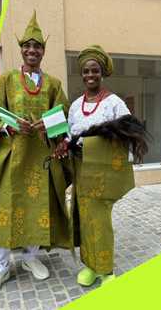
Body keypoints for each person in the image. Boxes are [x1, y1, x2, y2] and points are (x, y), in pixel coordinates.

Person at [0, 11, 72, 296]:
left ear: (43, 51)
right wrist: (8, 128)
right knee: (5, 211)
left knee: (39, 210)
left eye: (37, 46)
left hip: (40, 160)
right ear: (21, 50)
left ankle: (30, 258)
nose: (32, 50)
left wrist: (48, 123)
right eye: (27, 46)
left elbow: (63, 114)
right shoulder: (7, 81)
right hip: (10, 159)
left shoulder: (53, 84)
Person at [63, 45, 148, 287]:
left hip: (103, 174)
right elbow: (71, 134)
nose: (90, 75)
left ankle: (106, 269)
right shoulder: (75, 105)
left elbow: (129, 134)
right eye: (86, 71)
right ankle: (90, 266)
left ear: (102, 73)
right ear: (82, 74)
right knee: (84, 218)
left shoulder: (114, 103)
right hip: (82, 172)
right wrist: (68, 144)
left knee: (100, 221)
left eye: (95, 71)